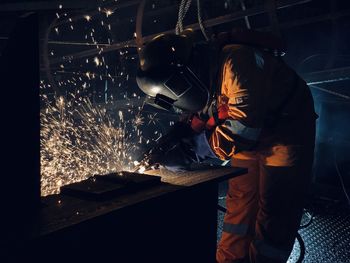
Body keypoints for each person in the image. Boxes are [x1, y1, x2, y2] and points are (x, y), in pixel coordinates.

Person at [136, 28, 317, 263]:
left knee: (275, 205)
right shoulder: (206, 70)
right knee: (240, 200)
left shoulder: (238, 63)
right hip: (252, 133)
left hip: (286, 130)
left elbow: (241, 130)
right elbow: (203, 115)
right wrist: (175, 138)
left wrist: (192, 150)